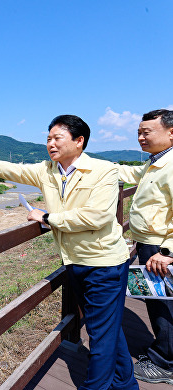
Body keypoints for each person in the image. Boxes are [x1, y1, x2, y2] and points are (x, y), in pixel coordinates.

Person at [0, 115, 138, 390]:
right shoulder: (47, 171)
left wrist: (48, 217)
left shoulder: (104, 170)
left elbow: (96, 217)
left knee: (100, 335)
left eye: (57, 138)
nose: (50, 144)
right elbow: (14, 170)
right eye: (48, 138)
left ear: (79, 141)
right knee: (107, 329)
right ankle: (125, 383)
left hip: (104, 263)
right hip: (74, 261)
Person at [117, 109, 173, 385]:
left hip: (160, 249)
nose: (140, 137)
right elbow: (129, 171)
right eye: (139, 132)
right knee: (157, 299)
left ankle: (165, 362)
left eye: (146, 132)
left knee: (164, 304)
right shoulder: (156, 162)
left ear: (170, 132)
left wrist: (167, 253)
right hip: (150, 244)